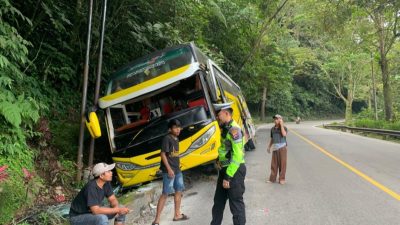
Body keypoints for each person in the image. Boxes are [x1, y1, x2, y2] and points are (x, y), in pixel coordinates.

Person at [210, 102, 246, 225]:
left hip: (234, 171)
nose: (217, 117)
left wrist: (228, 176)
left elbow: (238, 156)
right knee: (218, 202)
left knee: (236, 204)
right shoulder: (225, 129)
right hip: (225, 170)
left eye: (218, 114)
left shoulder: (234, 130)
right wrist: (219, 160)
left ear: (226, 113)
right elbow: (225, 150)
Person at [152, 119, 189, 225]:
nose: (178, 129)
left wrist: (177, 166)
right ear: (170, 129)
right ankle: (157, 220)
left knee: (179, 190)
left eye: (179, 127)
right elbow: (163, 154)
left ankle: (177, 215)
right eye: (175, 127)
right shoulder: (167, 139)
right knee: (165, 193)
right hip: (169, 171)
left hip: (177, 170)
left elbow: (174, 155)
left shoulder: (176, 139)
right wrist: (169, 169)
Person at [267, 114, 288, 185]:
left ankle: (282, 179)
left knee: (282, 164)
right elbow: (272, 139)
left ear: (280, 120)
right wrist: (269, 147)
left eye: (277, 119)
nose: (275, 120)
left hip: (282, 148)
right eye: (275, 119)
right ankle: (272, 179)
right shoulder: (272, 129)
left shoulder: (284, 127)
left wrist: (281, 125)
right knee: (274, 164)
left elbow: (284, 134)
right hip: (275, 148)